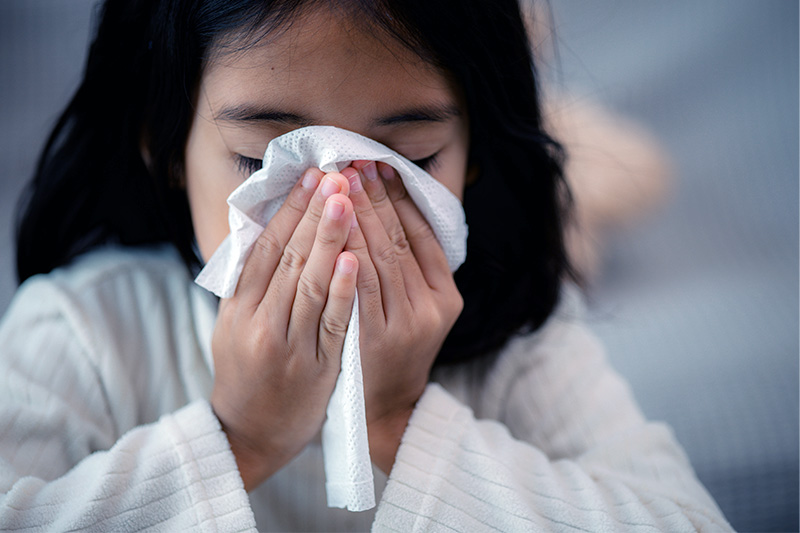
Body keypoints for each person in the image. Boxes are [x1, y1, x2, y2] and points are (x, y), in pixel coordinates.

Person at [0, 0, 731, 531]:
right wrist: (240, 436)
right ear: (163, 143)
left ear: (472, 158)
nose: (339, 211)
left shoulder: (517, 340)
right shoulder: (85, 332)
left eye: (407, 162)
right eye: (263, 160)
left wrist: (396, 419)